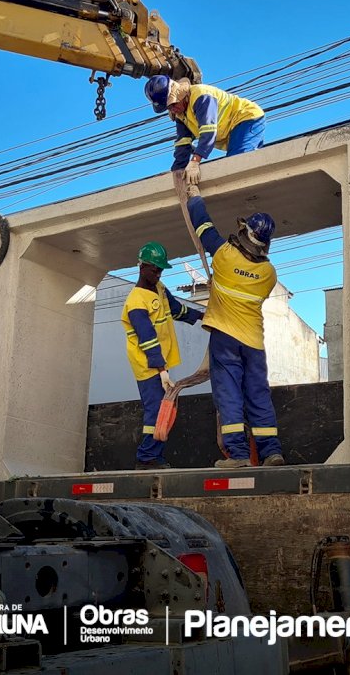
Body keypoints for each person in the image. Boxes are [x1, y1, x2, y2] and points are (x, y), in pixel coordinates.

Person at [183, 183, 285, 468]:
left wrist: (194, 198)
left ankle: (238, 455)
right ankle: (271, 452)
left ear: (245, 232)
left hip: (225, 338)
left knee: (229, 395)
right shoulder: (268, 273)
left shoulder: (224, 255)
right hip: (253, 342)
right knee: (258, 395)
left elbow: (204, 229)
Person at [121, 241, 204, 469]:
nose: (158, 274)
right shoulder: (135, 301)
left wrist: (202, 316)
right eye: (154, 269)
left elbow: (177, 310)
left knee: (160, 407)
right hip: (147, 364)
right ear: (142, 267)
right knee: (157, 408)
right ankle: (147, 457)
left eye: (160, 270)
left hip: (159, 364)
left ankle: (151, 456)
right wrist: (161, 369)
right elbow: (147, 338)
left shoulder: (159, 289)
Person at [144, 75, 265, 186]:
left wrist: (195, 161)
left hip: (245, 118)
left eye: (172, 105)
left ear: (179, 94)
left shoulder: (201, 96)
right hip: (232, 132)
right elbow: (182, 144)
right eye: (168, 108)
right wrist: (177, 172)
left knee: (237, 164)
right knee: (240, 164)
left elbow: (208, 132)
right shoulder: (180, 115)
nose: (173, 110)